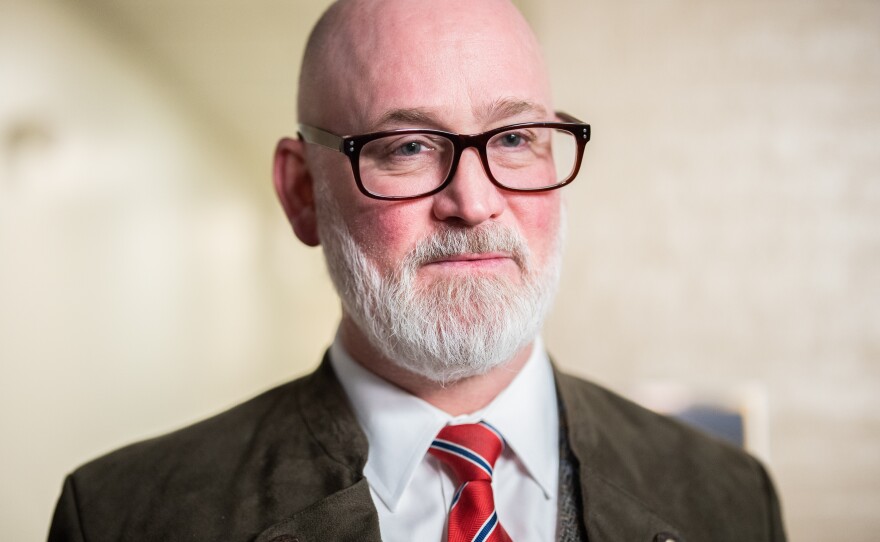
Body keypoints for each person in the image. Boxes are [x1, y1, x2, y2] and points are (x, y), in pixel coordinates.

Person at [48, 1, 787, 541]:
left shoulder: (730, 498)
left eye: (517, 137)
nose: (475, 202)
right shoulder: (123, 515)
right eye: (407, 147)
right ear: (303, 192)